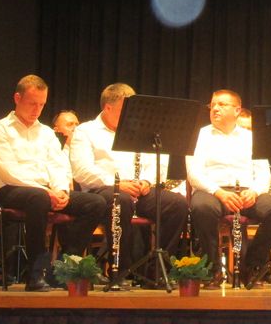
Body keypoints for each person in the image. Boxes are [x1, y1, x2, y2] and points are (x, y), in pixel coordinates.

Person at [0, 75, 105, 292]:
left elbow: (57, 165)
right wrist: (46, 191)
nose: (37, 109)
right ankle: (36, 272)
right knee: (38, 198)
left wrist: (61, 190)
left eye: (41, 104)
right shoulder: (0, 129)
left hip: (46, 191)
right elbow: (8, 170)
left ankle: (63, 268)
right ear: (17, 98)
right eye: (32, 103)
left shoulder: (47, 133)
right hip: (11, 189)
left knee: (95, 202)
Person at [69, 83, 188, 281]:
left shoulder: (139, 129)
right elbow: (81, 170)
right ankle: (121, 270)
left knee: (177, 204)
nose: (131, 115)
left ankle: (158, 270)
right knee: (121, 200)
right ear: (108, 108)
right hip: (103, 191)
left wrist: (147, 181)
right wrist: (117, 183)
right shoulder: (86, 131)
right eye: (125, 110)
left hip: (138, 190)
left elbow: (157, 162)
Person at [187, 89, 271, 288]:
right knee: (202, 208)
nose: (215, 108)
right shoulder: (199, 136)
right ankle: (212, 270)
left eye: (222, 104)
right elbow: (194, 173)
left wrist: (255, 192)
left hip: (246, 191)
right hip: (213, 191)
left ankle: (250, 266)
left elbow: (263, 173)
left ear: (237, 110)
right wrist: (219, 192)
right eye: (212, 105)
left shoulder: (251, 137)